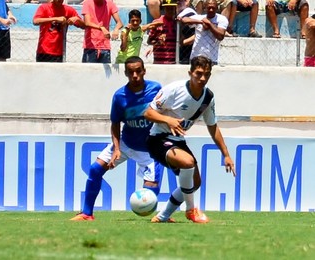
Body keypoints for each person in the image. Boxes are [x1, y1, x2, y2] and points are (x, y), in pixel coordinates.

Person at [144, 55, 236, 223]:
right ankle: (191, 210)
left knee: (195, 182)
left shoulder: (208, 98)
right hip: (158, 138)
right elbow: (147, 113)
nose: (202, 78)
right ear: (190, 73)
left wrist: (226, 154)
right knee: (188, 163)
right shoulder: (173, 89)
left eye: (207, 74)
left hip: (178, 141)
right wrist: (168, 120)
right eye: (198, 74)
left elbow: (212, 126)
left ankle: (163, 216)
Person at [71, 56, 164, 221]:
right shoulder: (119, 96)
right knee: (95, 169)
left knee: (148, 198)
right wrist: (117, 149)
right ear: (125, 73)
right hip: (126, 143)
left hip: (149, 151)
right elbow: (115, 124)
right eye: (131, 72)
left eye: (138, 71)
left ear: (144, 71)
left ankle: (163, 215)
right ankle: (87, 213)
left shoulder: (156, 89)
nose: (135, 75)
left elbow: (166, 111)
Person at [181, 0, 228, 65]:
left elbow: (220, 36)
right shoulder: (200, 17)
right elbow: (184, 19)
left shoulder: (221, 19)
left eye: (213, 8)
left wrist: (210, 24)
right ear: (205, 8)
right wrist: (200, 22)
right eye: (209, 8)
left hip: (211, 58)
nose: (211, 10)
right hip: (196, 56)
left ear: (217, 8)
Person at [147, 0, 177, 64]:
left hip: (173, 61)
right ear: (164, 9)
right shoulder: (157, 22)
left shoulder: (177, 23)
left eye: (172, 8)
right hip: (159, 60)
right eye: (168, 9)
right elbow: (149, 41)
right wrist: (158, 42)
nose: (170, 11)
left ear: (175, 9)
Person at [177, 0, 198, 64]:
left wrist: (183, 42)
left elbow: (198, 34)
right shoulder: (178, 13)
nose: (178, 2)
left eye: (181, 0)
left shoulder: (189, 12)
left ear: (187, 2)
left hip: (191, 50)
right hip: (182, 50)